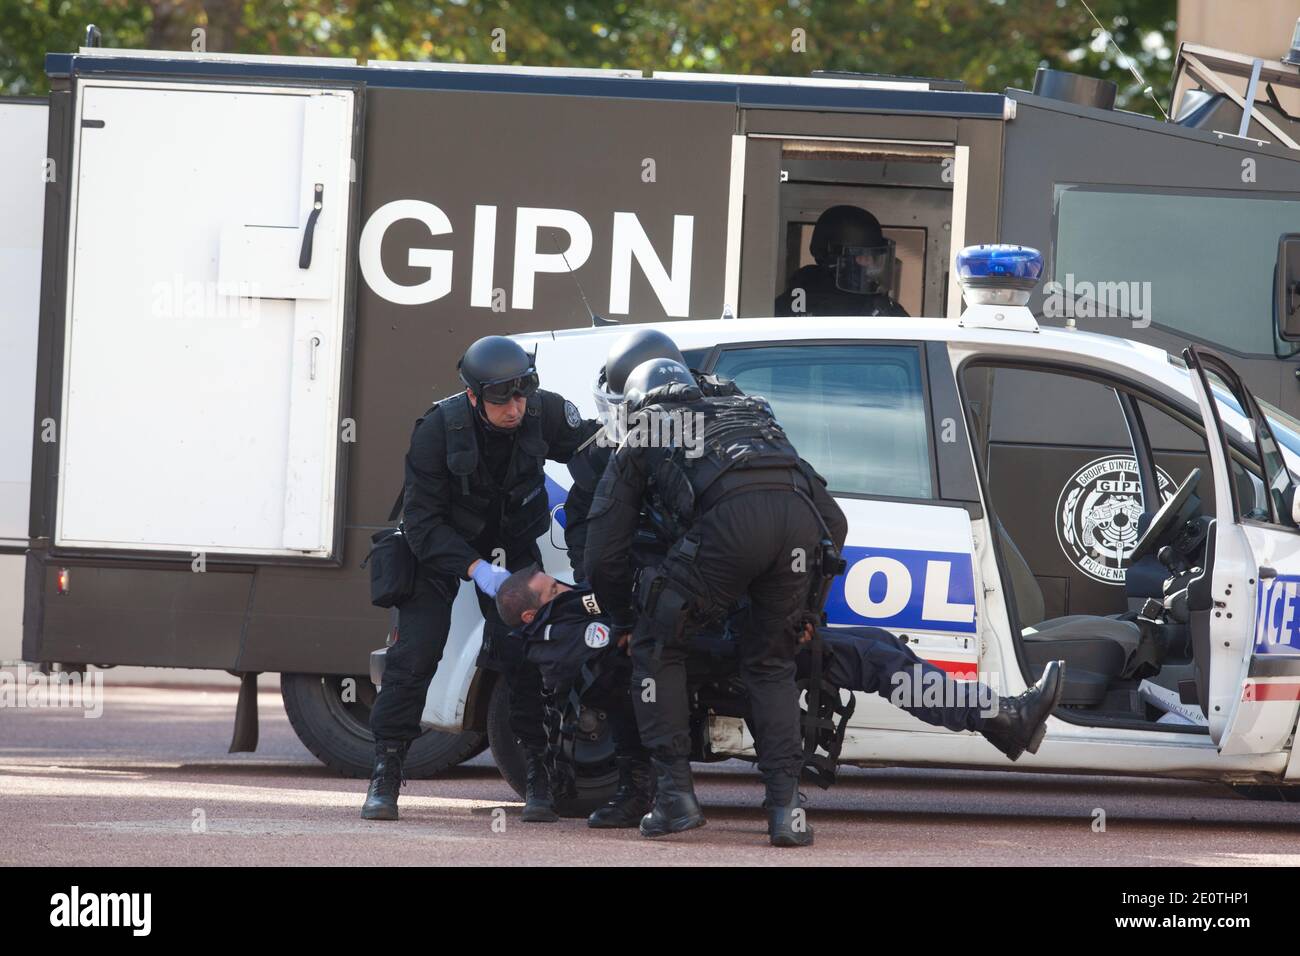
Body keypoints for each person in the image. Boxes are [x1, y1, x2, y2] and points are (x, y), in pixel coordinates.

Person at [583, 356, 850, 847]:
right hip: (797, 532)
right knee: (772, 664)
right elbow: (834, 522)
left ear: (636, 404)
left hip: (729, 534)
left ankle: (673, 799)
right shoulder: (753, 415)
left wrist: (622, 616)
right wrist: (808, 612)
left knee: (657, 649)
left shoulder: (643, 430)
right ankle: (786, 811)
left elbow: (604, 550)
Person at [495, 567, 1065, 793]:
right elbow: (634, 642)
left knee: (879, 646)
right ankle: (1001, 717)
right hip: (724, 656)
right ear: (530, 613)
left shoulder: (565, 617)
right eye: (551, 588)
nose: (563, 586)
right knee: (878, 662)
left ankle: (1001, 722)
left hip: (724, 641)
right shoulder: (561, 634)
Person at [362, 335, 598, 823]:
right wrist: (477, 571)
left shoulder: (542, 411)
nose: (514, 408)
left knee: (527, 653)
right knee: (417, 653)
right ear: (474, 396)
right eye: (501, 399)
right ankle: (385, 772)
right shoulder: (437, 429)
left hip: (511, 546)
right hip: (442, 551)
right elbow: (423, 524)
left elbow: (595, 456)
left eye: (521, 395)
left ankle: (539, 773)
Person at [775, 205, 909, 318]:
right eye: (862, 256)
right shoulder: (792, 304)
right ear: (834, 260)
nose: (870, 263)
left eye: (872, 257)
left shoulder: (881, 308)